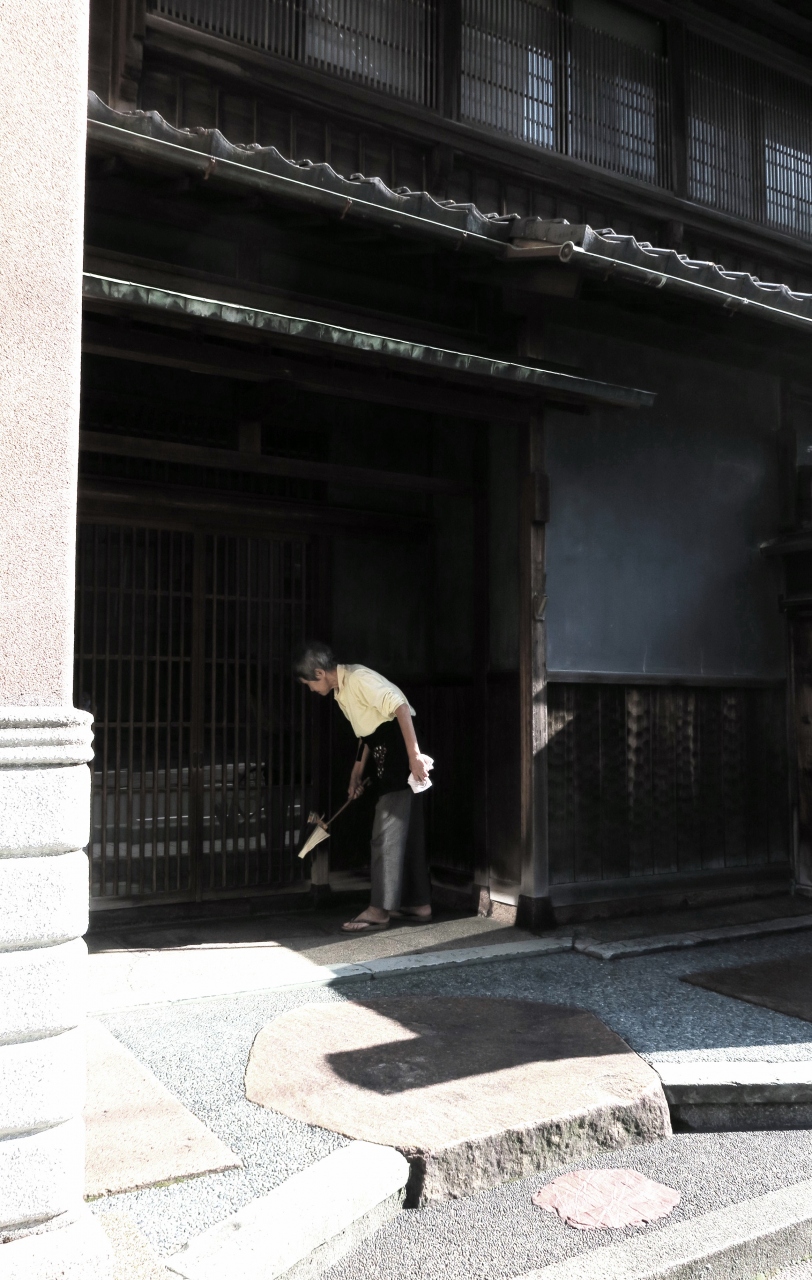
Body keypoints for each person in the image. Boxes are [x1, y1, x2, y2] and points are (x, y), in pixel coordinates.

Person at [294, 641, 432, 932]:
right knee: (409, 832)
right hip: (389, 752)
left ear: (320, 673)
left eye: (309, 684)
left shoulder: (358, 678)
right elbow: (366, 733)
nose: (310, 689)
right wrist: (356, 772)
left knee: (386, 832)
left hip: (401, 752)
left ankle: (379, 910)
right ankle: (419, 904)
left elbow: (400, 706)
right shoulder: (341, 692)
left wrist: (414, 756)